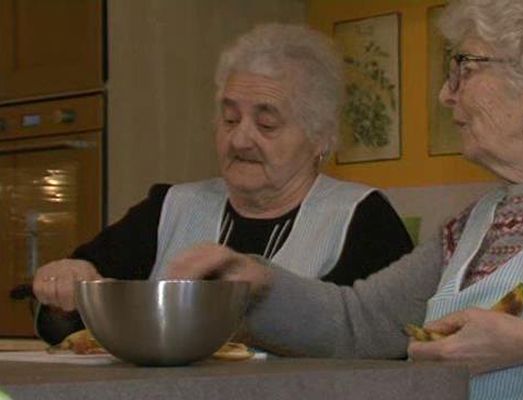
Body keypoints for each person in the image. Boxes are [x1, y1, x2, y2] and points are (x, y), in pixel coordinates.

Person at [151, 1, 523, 398]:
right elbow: (358, 324)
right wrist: (258, 282)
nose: (446, 94)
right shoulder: (478, 223)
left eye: (465, 67)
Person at [32, 24, 413, 345]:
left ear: (321, 138)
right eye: (230, 119)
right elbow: (70, 326)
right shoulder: (168, 207)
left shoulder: (363, 219)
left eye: (267, 125)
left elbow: (387, 343)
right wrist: (64, 291)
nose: (240, 140)